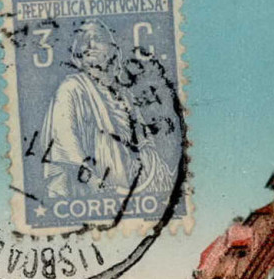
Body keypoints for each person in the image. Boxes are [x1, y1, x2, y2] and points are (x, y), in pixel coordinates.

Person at [39, 18, 173, 202]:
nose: (90, 45)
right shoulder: (72, 88)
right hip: (93, 192)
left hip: (131, 187)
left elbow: (145, 143)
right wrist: (92, 181)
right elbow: (65, 142)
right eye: (84, 41)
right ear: (78, 54)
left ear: (113, 50)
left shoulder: (125, 95)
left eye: (97, 39)